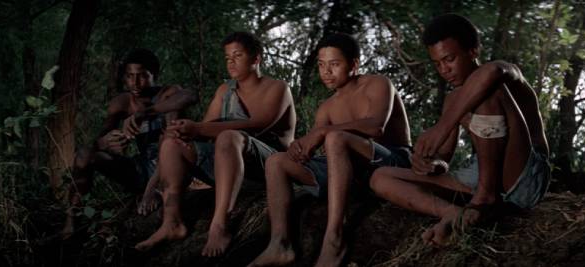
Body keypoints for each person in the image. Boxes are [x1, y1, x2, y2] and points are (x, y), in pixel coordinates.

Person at [369, 14, 550, 247]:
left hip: (524, 175)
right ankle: (455, 213)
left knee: (487, 88)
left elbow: (493, 72)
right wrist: (432, 165)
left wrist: (441, 128)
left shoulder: (506, 74)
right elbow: (444, 158)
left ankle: (484, 199)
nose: (444, 69)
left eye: (449, 59)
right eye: (437, 63)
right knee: (381, 177)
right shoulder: (453, 99)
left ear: (473, 51)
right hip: (479, 177)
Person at [249, 33, 412, 267]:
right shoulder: (327, 108)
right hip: (354, 174)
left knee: (335, 137)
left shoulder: (377, 83)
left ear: (354, 64)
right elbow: (316, 149)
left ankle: (334, 237)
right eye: (321, 65)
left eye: (334, 64)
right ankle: (279, 244)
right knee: (276, 161)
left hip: (391, 161)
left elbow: (375, 126)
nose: (326, 72)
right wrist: (300, 148)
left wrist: (323, 133)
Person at [134, 32, 297, 256]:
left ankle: (220, 224)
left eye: (237, 56)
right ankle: (172, 223)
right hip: (228, 165)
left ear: (256, 59)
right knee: (173, 142)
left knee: (229, 136)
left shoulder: (278, 88)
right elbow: (204, 130)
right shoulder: (225, 91)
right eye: (227, 57)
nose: (231, 62)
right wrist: (182, 130)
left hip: (268, 168)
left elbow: (257, 125)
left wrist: (198, 128)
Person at [62, 48, 197, 238]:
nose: (135, 82)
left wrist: (144, 114)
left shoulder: (168, 93)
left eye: (142, 76)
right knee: (84, 155)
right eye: (129, 76)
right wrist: (106, 143)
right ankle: (71, 219)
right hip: (141, 168)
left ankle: (160, 191)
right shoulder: (123, 102)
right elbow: (98, 141)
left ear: (154, 75)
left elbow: (189, 96)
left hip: (172, 169)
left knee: (169, 137)